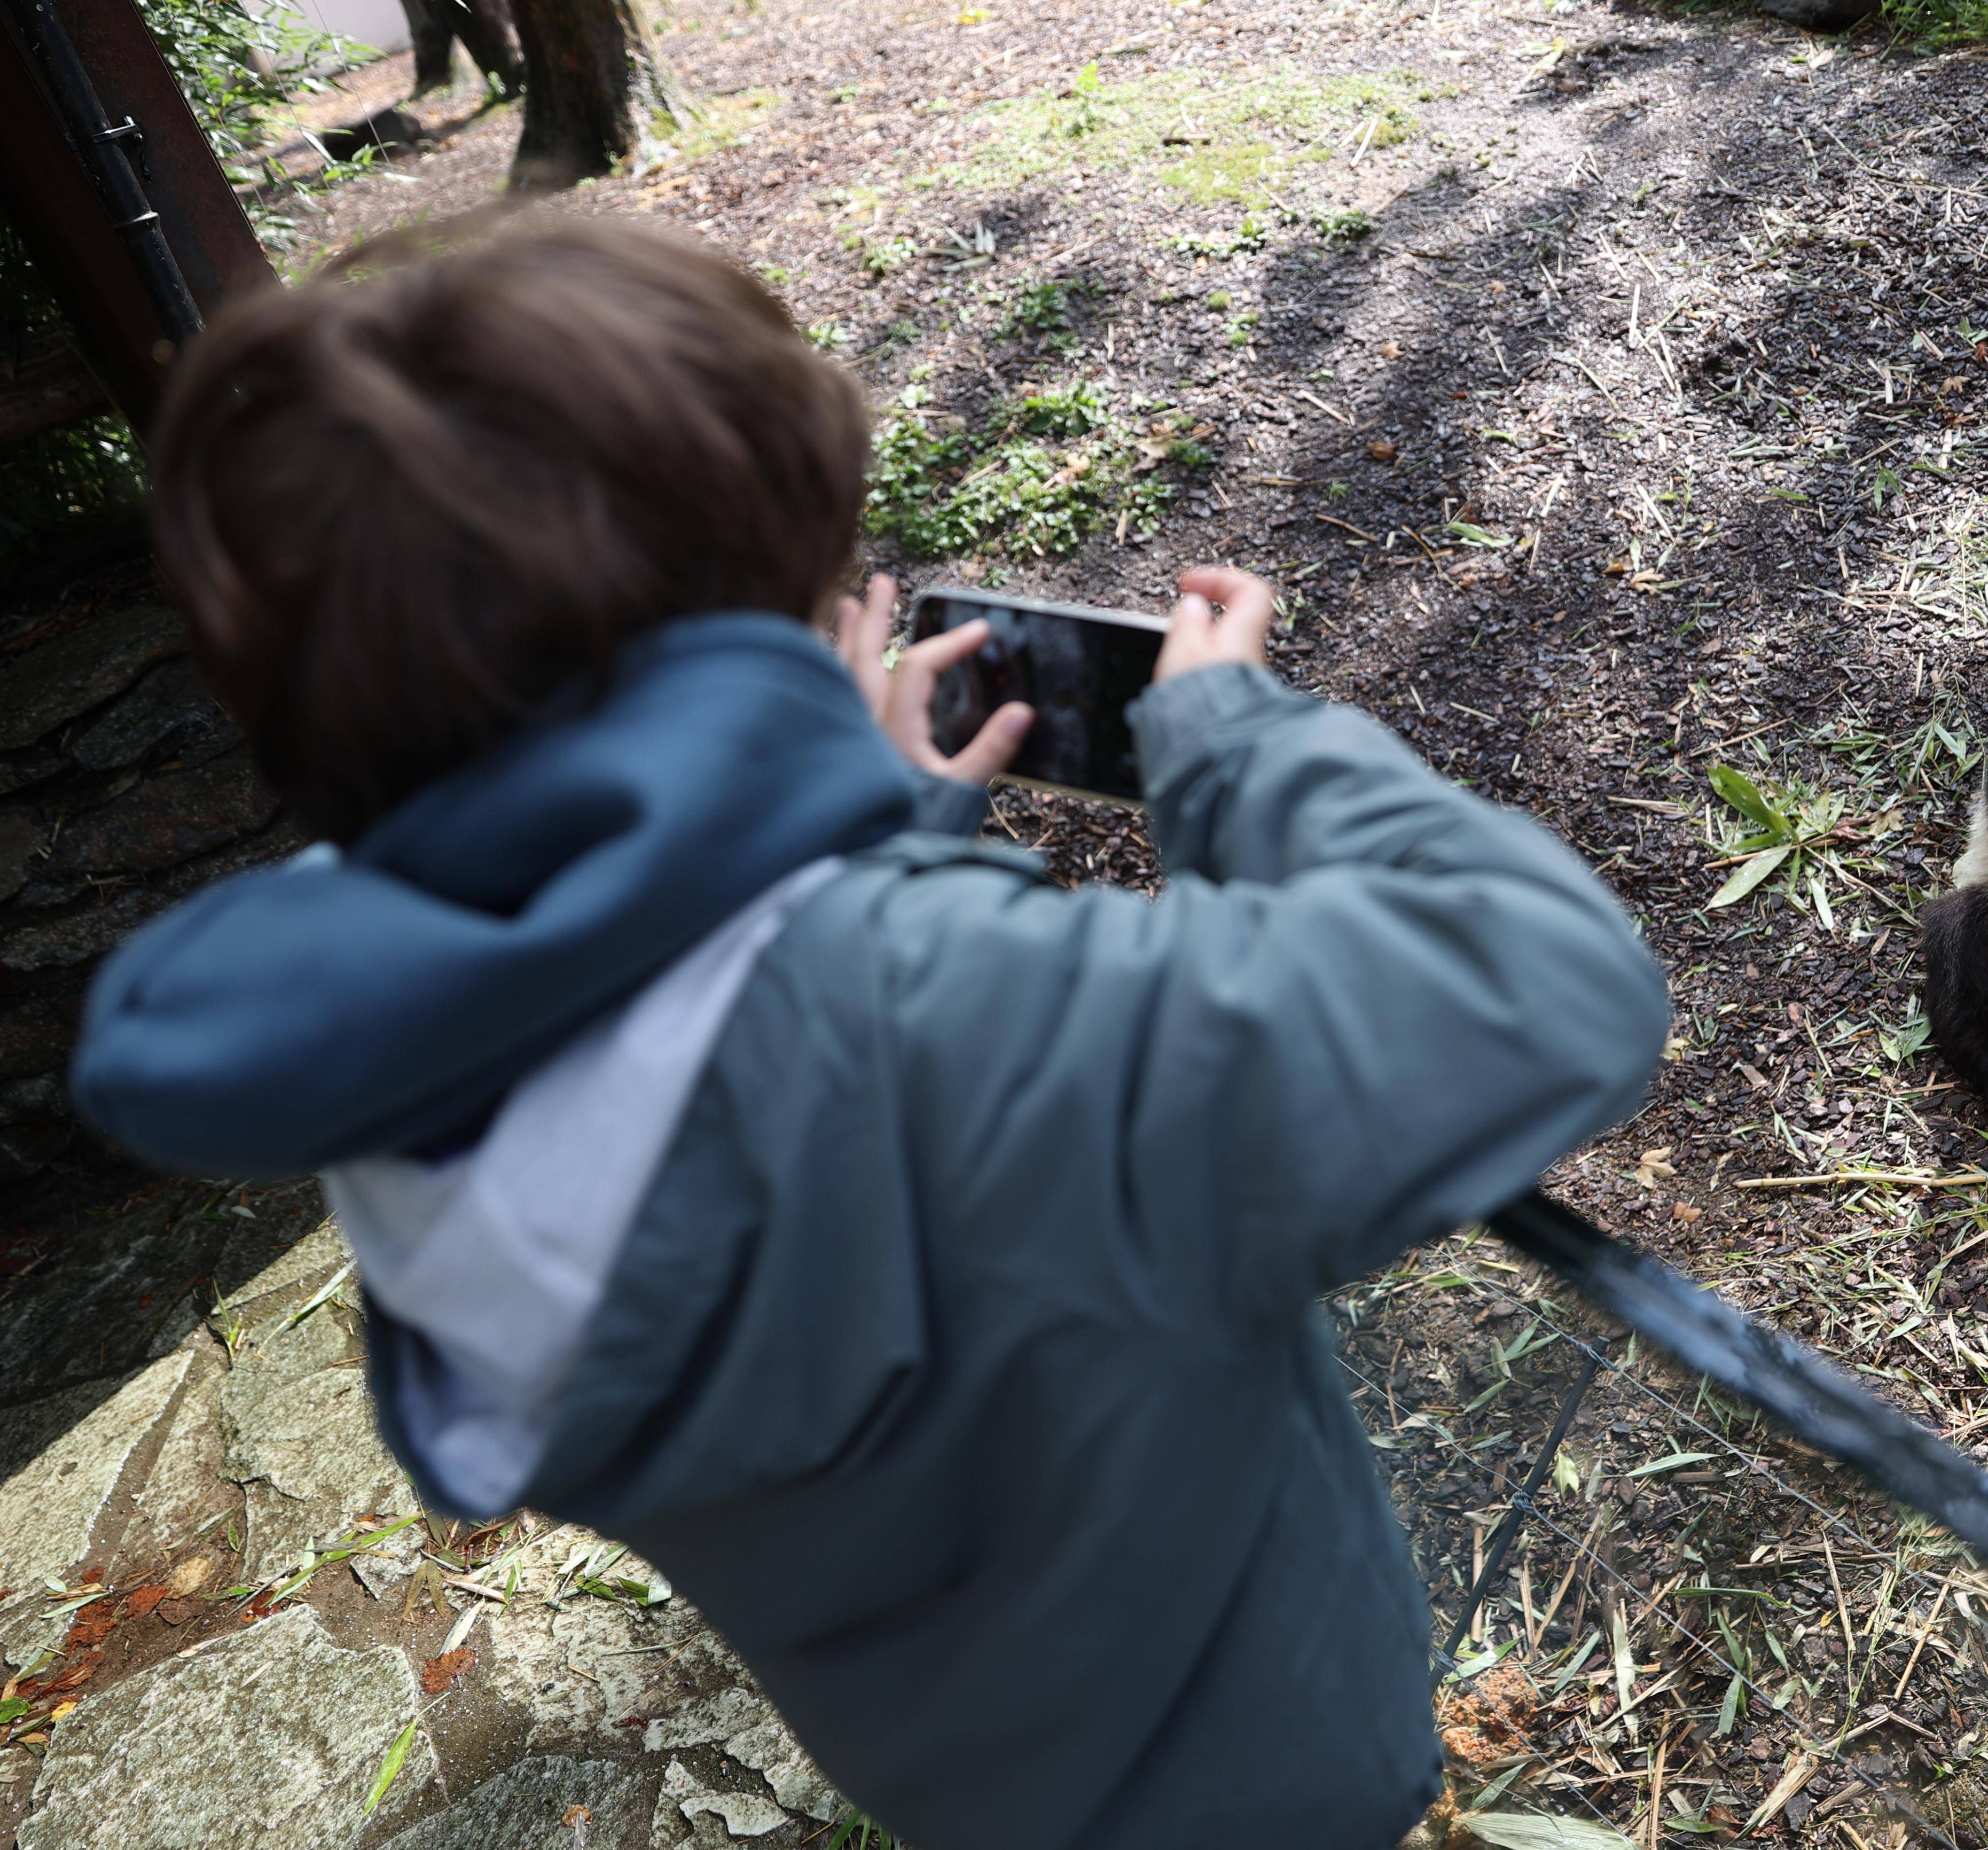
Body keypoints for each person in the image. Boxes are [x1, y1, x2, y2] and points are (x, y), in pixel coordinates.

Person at [69, 212, 1670, 1850]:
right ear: (752, 622)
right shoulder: (954, 1025)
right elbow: (1548, 982)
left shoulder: (386, 1050)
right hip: (1271, 1766)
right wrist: (1230, 739)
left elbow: (723, 1058)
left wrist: (858, 831)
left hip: (960, 1768)